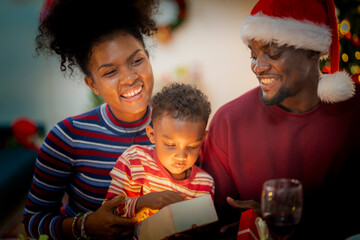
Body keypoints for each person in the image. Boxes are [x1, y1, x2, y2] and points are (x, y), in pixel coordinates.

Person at [200, 0, 360, 239]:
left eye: (273, 54)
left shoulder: (355, 114)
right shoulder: (228, 122)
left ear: (313, 50)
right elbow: (213, 222)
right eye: (253, 55)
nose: (258, 67)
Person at [22, 0, 159, 239]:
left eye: (136, 60)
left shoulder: (179, 126)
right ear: (92, 84)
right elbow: (33, 221)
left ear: (147, 57)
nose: (129, 78)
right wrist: (85, 225)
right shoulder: (67, 137)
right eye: (110, 72)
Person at [104, 83, 214, 224]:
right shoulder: (135, 161)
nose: (181, 156)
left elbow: (206, 228)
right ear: (152, 134)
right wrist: (142, 202)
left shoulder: (205, 185)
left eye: (192, 146)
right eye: (170, 145)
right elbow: (108, 212)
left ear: (203, 139)